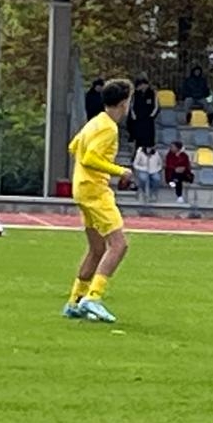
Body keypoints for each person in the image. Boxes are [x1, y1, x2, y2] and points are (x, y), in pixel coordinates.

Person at [63, 78, 133, 323]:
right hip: (95, 191)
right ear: (124, 103)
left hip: (81, 188)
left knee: (97, 249)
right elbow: (90, 158)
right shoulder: (109, 128)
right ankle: (93, 297)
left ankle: (74, 301)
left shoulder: (94, 122)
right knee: (119, 245)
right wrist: (119, 171)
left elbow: (73, 147)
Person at [127, 75, 158, 150]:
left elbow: (156, 106)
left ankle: (148, 151)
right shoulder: (135, 94)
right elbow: (131, 106)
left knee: (149, 138)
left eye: (144, 84)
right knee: (138, 138)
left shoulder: (152, 93)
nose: (142, 86)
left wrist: (152, 115)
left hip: (148, 119)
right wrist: (134, 115)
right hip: (138, 118)